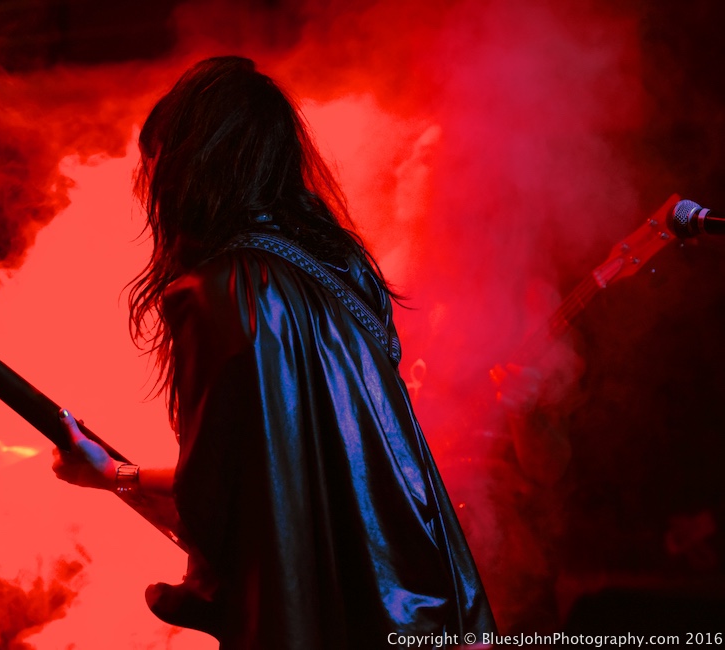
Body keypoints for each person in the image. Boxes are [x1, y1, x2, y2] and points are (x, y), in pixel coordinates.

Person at [53, 56, 496, 648]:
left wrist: (119, 482)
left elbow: (219, 501)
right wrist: (116, 474)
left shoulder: (215, 292)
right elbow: (285, 468)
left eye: (154, 158)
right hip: (428, 603)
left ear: (190, 162)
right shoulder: (343, 270)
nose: (149, 181)